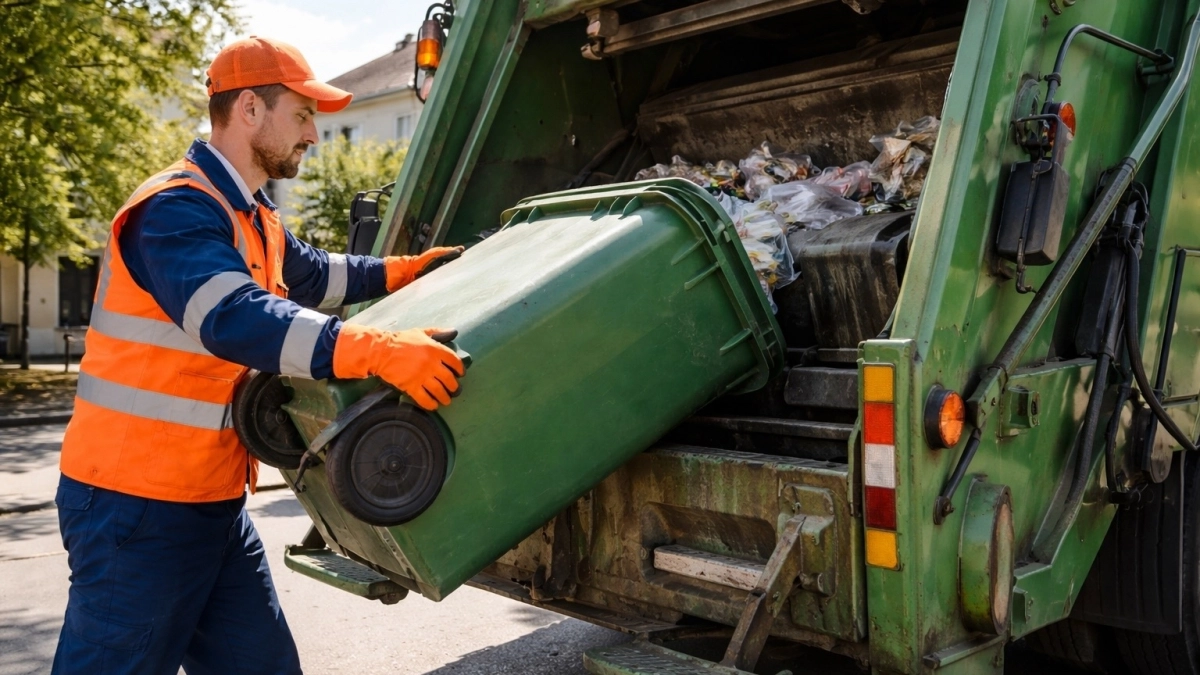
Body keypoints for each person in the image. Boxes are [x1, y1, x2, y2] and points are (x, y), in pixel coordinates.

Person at [52, 36, 463, 674]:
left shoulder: (250, 214)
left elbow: (315, 274)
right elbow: (234, 317)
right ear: (249, 109)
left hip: (208, 503)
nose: (314, 137)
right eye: (302, 117)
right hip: (135, 506)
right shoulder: (174, 210)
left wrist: (406, 273)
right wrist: (376, 349)